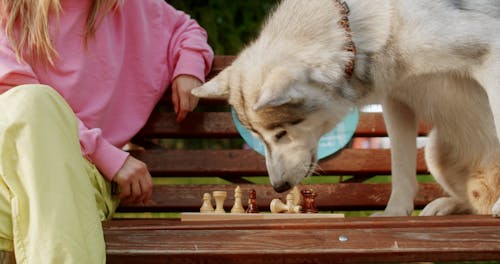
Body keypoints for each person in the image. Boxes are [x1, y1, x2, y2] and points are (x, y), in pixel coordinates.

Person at [0, 0, 213, 263]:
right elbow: (14, 104)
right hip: (12, 162)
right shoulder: (7, 10)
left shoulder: (126, 7)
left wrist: (190, 66)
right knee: (31, 103)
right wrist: (108, 155)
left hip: (84, 173)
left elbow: (185, 28)